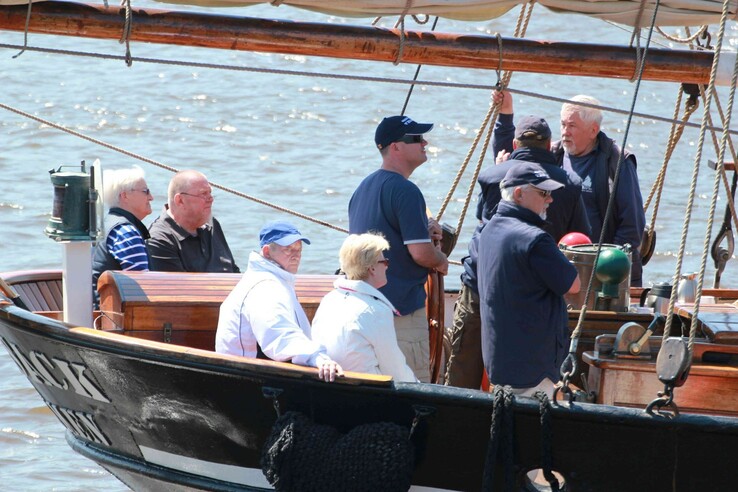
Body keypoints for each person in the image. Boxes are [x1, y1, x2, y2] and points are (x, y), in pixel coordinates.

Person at [348, 115, 449, 383]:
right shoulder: (405, 191)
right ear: (395, 147)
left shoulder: (363, 188)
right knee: (412, 390)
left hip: (367, 309)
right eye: (416, 138)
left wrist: (421, 232)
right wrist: (440, 259)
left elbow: (382, 236)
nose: (424, 142)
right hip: (400, 315)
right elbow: (421, 254)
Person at [478, 162, 580, 398]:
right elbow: (573, 284)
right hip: (531, 367)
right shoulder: (534, 239)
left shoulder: (489, 230)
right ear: (519, 193)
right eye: (543, 193)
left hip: (500, 361)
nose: (550, 199)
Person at [215, 220, 342, 382]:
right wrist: (317, 357)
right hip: (248, 381)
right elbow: (279, 335)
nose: (296, 255)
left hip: (249, 375)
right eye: (288, 249)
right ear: (267, 252)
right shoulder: (265, 287)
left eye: (299, 249)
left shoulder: (272, 280)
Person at [556, 95, 645, 286]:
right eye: (563, 124)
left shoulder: (617, 162)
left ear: (593, 131)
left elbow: (632, 226)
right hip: (562, 270)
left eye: (572, 126)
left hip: (607, 272)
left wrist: (606, 266)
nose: (565, 132)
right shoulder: (553, 155)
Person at [311, 233, 418, 382]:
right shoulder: (376, 311)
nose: (387, 267)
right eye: (385, 262)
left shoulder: (329, 300)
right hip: (366, 393)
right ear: (372, 268)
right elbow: (394, 368)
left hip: (333, 388)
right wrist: (418, 386)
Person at [147, 170, 239, 273]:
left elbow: (233, 271)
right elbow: (180, 287)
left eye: (210, 193)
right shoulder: (159, 240)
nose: (211, 199)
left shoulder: (212, 225)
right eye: (203, 193)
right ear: (180, 200)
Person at [92, 166, 153, 306]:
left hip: (102, 313)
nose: (151, 197)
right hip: (113, 320)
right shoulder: (125, 232)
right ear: (125, 196)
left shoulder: (108, 224)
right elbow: (143, 288)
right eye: (146, 191)